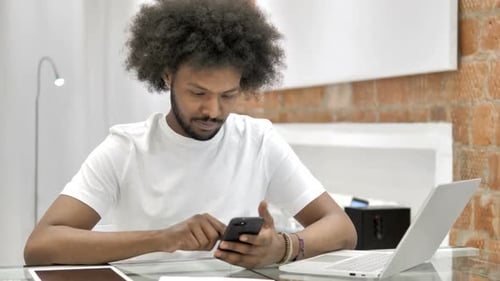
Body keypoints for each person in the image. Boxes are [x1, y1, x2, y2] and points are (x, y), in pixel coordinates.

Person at [24, 0, 357, 268]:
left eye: (228, 95)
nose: (213, 110)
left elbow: (342, 229)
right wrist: (162, 239)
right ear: (168, 77)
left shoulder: (258, 141)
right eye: (198, 93)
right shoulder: (126, 148)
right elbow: (41, 246)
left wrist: (283, 247)